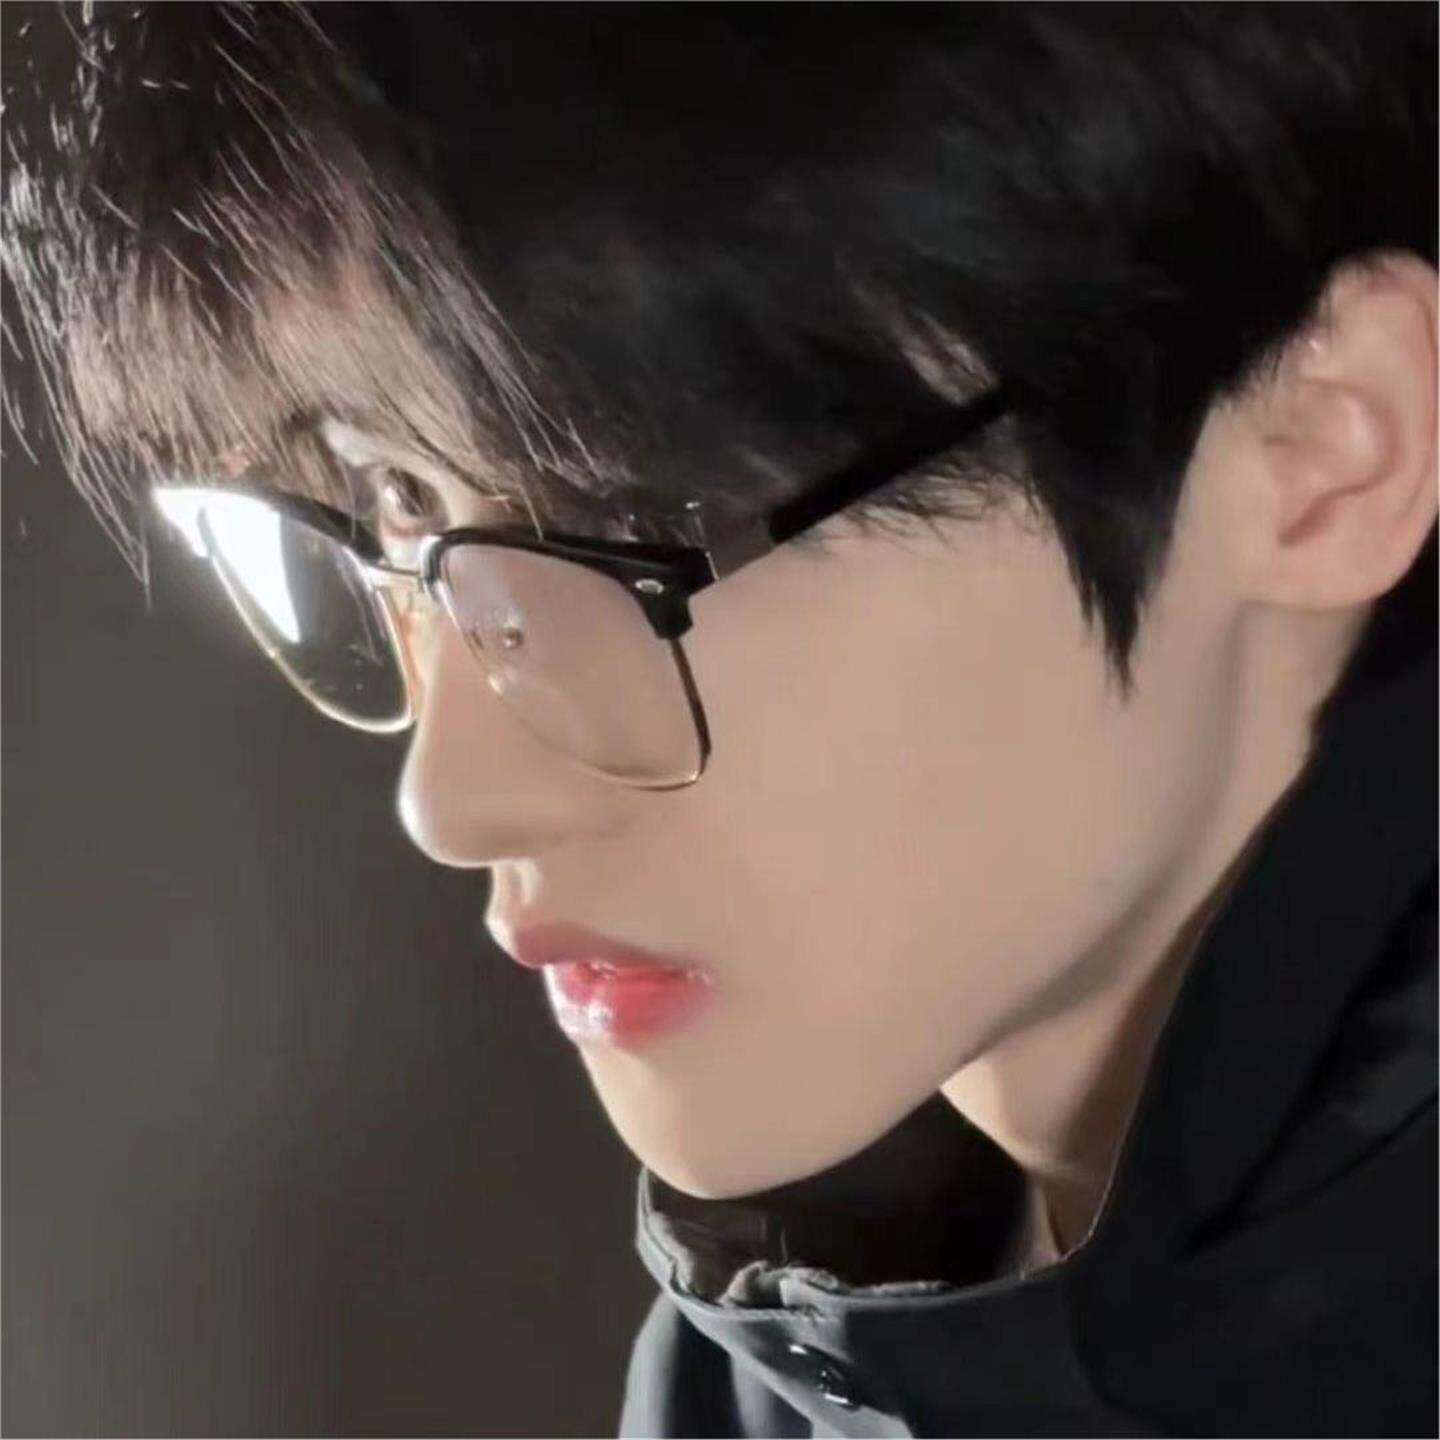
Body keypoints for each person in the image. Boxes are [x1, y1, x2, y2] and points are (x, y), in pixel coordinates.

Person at [4, 4, 1435, 1434]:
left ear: (1324, 450)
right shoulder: (790, 1351)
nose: (455, 795)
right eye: (397, 497)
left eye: (639, 515)